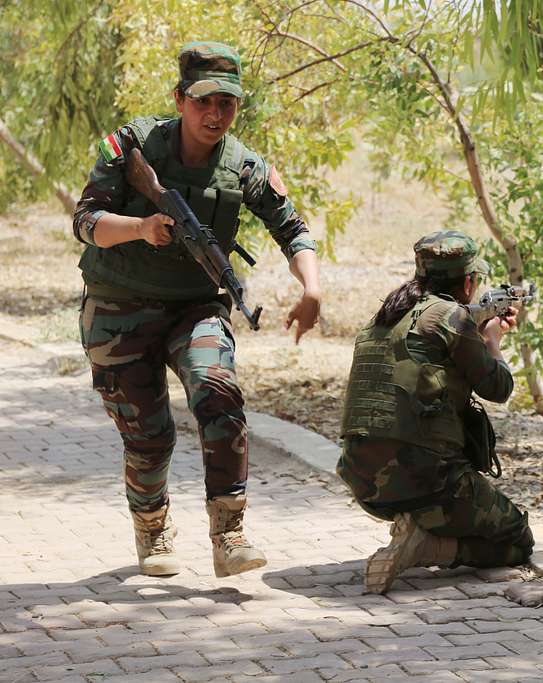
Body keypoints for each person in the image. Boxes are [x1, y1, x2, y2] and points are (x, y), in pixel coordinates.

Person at [73, 41, 321, 578]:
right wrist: (140, 227)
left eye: (227, 104)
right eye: (204, 101)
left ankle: (228, 531)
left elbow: (292, 229)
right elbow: (86, 220)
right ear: (180, 99)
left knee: (218, 392)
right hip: (119, 307)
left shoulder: (244, 167)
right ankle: (152, 528)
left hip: (197, 307)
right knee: (150, 436)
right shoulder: (131, 146)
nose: (215, 115)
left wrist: (312, 290)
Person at [338, 230, 534, 594]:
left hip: (364, 483)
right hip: (428, 482)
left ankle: (420, 528)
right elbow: (499, 388)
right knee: (517, 540)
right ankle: (428, 547)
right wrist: (491, 340)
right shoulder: (453, 319)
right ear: (470, 280)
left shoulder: (383, 317)